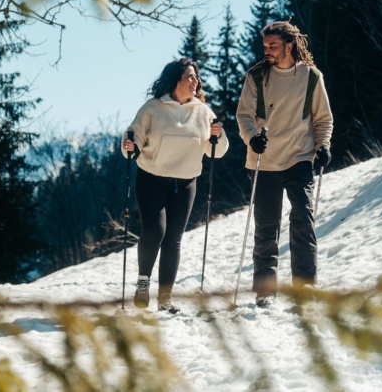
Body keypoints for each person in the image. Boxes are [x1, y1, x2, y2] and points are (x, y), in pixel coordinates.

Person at [236, 20, 333, 308]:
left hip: (300, 158)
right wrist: (253, 139)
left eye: (272, 46)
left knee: (303, 219)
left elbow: (323, 119)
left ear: (288, 46)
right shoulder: (256, 77)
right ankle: (265, 292)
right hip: (264, 162)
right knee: (267, 228)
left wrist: (323, 145)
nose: (266, 50)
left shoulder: (312, 77)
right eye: (265, 45)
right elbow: (244, 116)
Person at [123, 57, 228, 313]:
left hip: (186, 182)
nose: (195, 81)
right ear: (175, 81)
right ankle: (143, 282)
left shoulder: (203, 112)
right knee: (155, 232)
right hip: (151, 179)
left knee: (174, 239)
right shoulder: (153, 108)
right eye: (189, 77)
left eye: (196, 77)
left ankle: (166, 297)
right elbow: (132, 137)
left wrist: (219, 136)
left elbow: (217, 152)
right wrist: (130, 146)